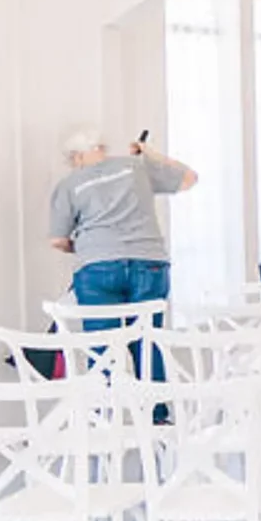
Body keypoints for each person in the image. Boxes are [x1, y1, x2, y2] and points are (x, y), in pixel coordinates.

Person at [47, 127, 197, 376]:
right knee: (148, 342)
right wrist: (150, 153)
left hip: (98, 267)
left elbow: (58, 240)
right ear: (101, 149)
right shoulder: (135, 166)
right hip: (150, 263)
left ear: (77, 157)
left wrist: (85, 247)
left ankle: (106, 412)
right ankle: (156, 414)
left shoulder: (69, 184)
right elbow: (189, 178)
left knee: (103, 346)